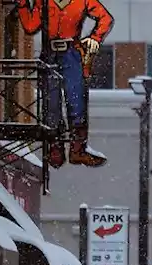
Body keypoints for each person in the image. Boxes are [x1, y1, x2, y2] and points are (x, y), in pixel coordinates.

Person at [16, 0, 113, 168]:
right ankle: (55, 148)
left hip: (72, 53)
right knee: (51, 102)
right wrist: (23, 5)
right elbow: (31, 26)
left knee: (76, 99)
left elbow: (106, 18)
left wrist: (95, 37)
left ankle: (78, 150)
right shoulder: (43, 1)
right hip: (49, 54)